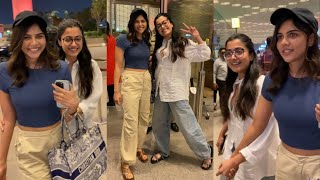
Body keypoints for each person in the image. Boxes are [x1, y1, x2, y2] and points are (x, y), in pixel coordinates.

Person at [217, 8, 320, 180]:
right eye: (280, 37)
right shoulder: (273, 80)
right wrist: (234, 158)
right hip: (285, 162)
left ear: (310, 39)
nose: (284, 42)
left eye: (293, 35)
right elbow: (257, 126)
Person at [0, 11, 72, 179]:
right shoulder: (5, 72)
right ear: (18, 40)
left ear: (45, 39)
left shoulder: (61, 68)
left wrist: (74, 106)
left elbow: (66, 115)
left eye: (39, 36)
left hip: (59, 144)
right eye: (26, 37)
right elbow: (9, 118)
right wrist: (1, 161)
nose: (34, 43)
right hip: (29, 148)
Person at [150, 13, 213, 170]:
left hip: (176, 92)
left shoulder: (184, 43)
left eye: (165, 23)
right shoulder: (161, 45)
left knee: (188, 126)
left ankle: (205, 153)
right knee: (159, 125)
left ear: (171, 24)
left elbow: (205, 54)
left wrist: (198, 37)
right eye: (159, 25)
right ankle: (163, 151)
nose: (162, 27)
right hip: (161, 90)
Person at [216, 33, 280, 180]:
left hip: (256, 157)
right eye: (228, 53)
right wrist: (222, 133)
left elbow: (264, 129)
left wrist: (236, 159)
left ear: (251, 55)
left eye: (239, 51)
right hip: (235, 148)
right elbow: (235, 115)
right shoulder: (235, 84)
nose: (233, 57)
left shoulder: (261, 84)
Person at [113, 8, 151, 180]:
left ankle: (137, 147)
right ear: (132, 22)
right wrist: (116, 90)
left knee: (144, 118)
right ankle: (126, 161)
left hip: (145, 78)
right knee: (130, 121)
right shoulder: (123, 39)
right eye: (137, 21)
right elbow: (118, 66)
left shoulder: (146, 40)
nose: (140, 24)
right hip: (130, 78)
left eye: (143, 21)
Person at [54, 18, 103, 132]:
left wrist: (75, 109)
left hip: (84, 127)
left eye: (78, 39)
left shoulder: (91, 66)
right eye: (68, 40)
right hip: (57, 128)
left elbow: (95, 94)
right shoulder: (52, 67)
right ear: (59, 42)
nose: (74, 44)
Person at [106, 21, 116, 106]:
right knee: (111, 83)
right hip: (112, 62)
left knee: (107, 82)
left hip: (107, 63)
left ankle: (111, 100)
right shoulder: (112, 38)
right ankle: (111, 99)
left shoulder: (106, 39)